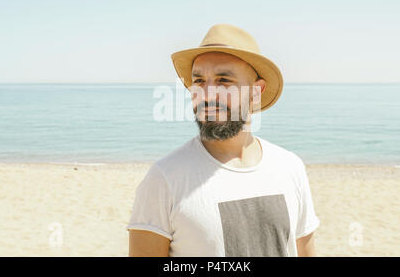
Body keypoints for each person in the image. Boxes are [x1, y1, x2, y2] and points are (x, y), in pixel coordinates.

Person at [127, 23, 320, 257]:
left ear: (256, 92)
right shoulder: (164, 180)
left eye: (223, 80)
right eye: (199, 81)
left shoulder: (290, 168)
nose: (207, 94)